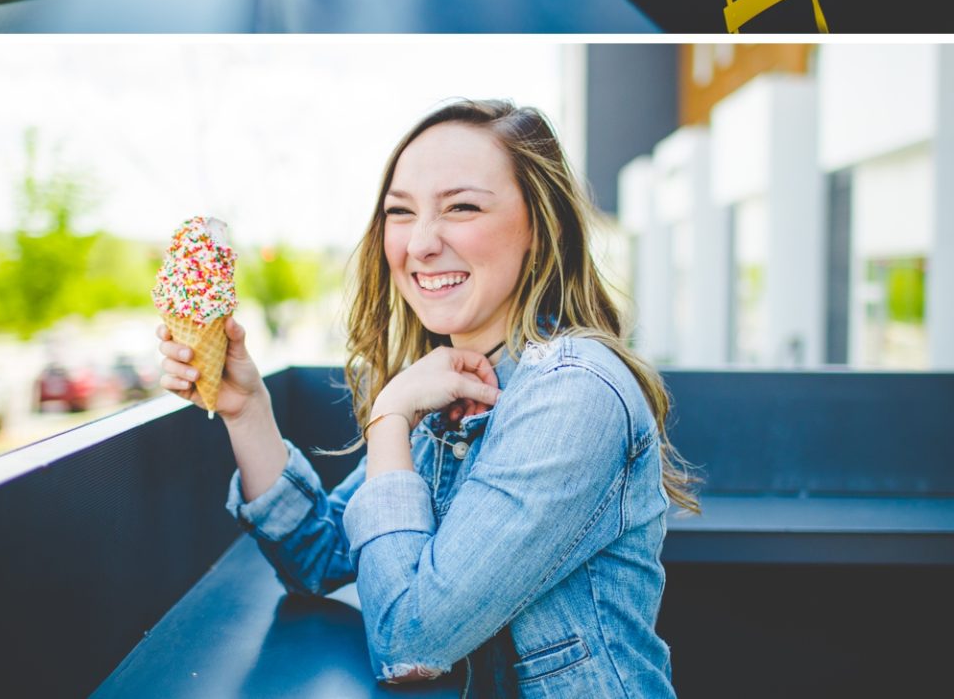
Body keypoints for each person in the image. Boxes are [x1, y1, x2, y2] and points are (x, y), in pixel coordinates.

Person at [158, 101, 695, 695]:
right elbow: (321, 555)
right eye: (400, 213)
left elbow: (411, 643)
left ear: (543, 229)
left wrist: (388, 420)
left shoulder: (574, 395)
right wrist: (247, 406)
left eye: (461, 207)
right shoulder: (446, 381)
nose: (420, 243)